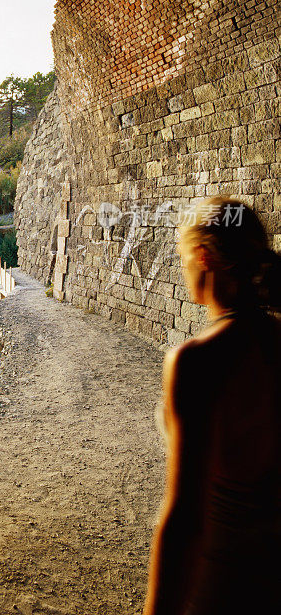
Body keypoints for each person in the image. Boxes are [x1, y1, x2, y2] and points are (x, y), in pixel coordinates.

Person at [143, 196, 281, 615]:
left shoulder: (198, 360)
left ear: (203, 257)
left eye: (183, 256)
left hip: (222, 587)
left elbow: (185, 518)